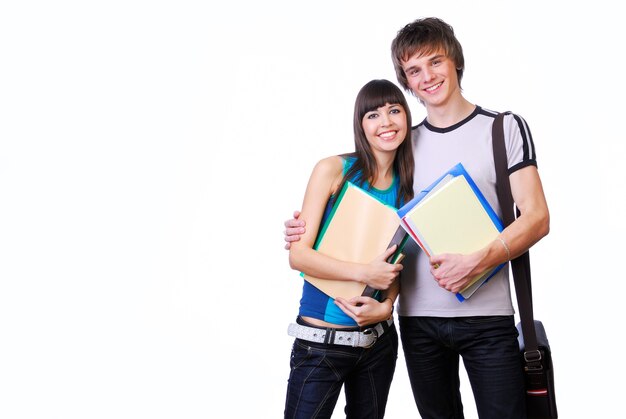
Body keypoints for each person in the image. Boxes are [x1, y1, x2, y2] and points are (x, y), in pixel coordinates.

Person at [284, 17, 550, 419]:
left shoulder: (502, 128)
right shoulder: (403, 144)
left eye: (435, 62)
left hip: (488, 318)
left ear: (456, 61)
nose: (427, 77)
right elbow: (382, 230)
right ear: (406, 81)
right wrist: (305, 228)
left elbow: (537, 217)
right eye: (413, 70)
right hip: (418, 323)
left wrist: (478, 260)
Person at [283, 79, 415, 419]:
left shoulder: (411, 190)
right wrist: (363, 272)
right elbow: (299, 255)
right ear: (361, 125)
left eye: (394, 111)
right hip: (321, 343)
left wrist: (387, 307)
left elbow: (396, 264)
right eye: (373, 115)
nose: (386, 122)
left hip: (378, 343)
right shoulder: (334, 170)